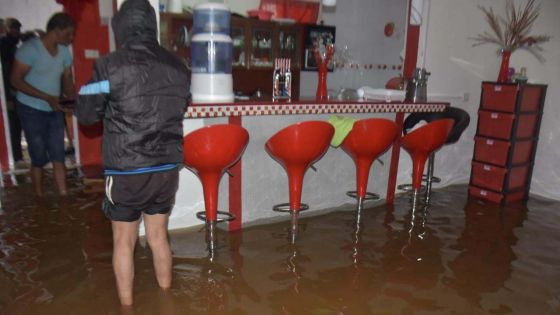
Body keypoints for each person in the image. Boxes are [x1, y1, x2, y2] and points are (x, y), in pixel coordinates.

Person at [75, 0, 190, 306]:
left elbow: (86, 115)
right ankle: (166, 300)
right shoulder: (179, 66)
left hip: (127, 171)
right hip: (166, 169)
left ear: (121, 26)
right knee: (158, 237)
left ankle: (127, 308)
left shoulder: (109, 65)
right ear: (151, 25)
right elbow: (180, 105)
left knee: (123, 242)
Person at [10, 12, 75, 196]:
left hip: (54, 109)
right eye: (69, 34)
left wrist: (71, 97)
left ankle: (64, 195)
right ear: (57, 30)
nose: (71, 38)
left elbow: (67, 79)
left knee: (58, 154)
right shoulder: (29, 50)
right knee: (38, 156)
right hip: (30, 110)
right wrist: (46, 97)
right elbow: (15, 80)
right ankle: (39, 196)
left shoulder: (64, 52)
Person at [0, 18, 23, 164]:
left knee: (17, 126)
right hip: (10, 92)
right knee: (13, 126)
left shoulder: (14, 45)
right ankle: (16, 156)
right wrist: (7, 97)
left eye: (17, 28)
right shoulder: (5, 46)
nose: (15, 31)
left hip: (16, 91)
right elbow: (6, 72)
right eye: (13, 28)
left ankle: (17, 155)